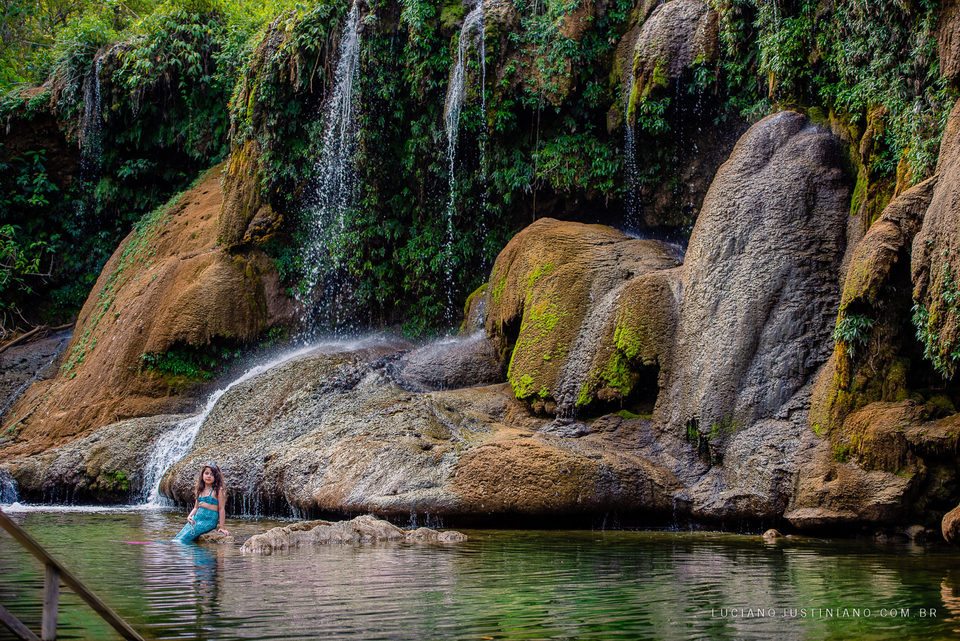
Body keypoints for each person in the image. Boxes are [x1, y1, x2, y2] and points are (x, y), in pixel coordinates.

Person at [172, 464, 229, 543]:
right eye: (206, 473)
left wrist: (222, 527)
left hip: (209, 520)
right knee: (178, 537)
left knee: (184, 538)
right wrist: (190, 516)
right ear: (202, 475)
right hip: (197, 518)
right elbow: (196, 507)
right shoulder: (200, 490)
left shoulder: (218, 490)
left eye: (212, 474)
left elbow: (221, 509)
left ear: (216, 477)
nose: (209, 476)